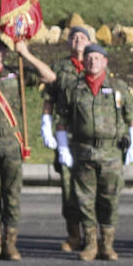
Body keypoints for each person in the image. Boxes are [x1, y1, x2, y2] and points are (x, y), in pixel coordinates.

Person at [56, 43, 133, 262]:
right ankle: (90, 244)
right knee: (84, 200)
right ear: (84, 62)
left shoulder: (118, 87)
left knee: (109, 199)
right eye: (89, 58)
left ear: (105, 62)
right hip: (83, 151)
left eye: (97, 58)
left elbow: (132, 116)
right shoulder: (73, 88)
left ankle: (107, 245)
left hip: (111, 151)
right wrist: (63, 148)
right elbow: (62, 121)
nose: (93, 61)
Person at [0, 35, 55, 261]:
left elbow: (49, 77)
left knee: (11, 195)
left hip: (11, 143)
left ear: (7, 52)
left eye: (0, 47)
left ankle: (10, 243)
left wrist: (26, 54)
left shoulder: (16, 73)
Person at [41, 24, 92, 252]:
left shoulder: (96, 63)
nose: (78, 40)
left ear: (90, 42)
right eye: (74, 37)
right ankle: (73, 236)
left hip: (92, 137)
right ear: (68, 43)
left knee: (93, 189)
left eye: (82, 37)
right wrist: (45, 125)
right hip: (66, 135)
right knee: (69, 188)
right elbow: (49, 98)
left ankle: (93, 237)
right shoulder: (60, 68)